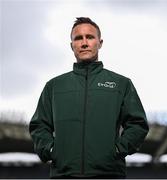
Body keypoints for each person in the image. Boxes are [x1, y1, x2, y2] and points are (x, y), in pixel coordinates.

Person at [29, 17, 149, 179]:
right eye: (78, 38)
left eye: (90, 37)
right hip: (63, 174)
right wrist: (51, 150)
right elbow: (39, 126)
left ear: (100, 43)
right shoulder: (54, 86)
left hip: (109, 174)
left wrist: (117, 150)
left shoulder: (121, 84)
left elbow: (138, 124)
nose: (84, 43)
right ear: (72, 45)